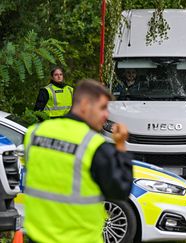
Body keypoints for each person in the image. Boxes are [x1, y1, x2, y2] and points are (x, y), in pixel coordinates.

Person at [24, 79, 133, 243]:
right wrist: (120, 145)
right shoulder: (94, 146)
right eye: (102, 108)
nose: (106, 115)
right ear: (84, 104)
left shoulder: (34, 134)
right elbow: (121, 190)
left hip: (36, 237)